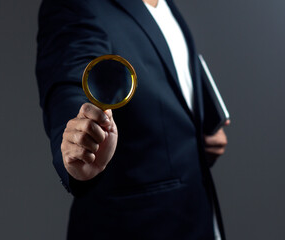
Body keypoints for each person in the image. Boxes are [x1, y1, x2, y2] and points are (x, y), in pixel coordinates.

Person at [36, 0, 229, 239]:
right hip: (138, 227)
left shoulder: (165, 4)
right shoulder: (77, 5)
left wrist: (199, 138)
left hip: (198, 215)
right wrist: (78, 140)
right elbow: (71, 84)